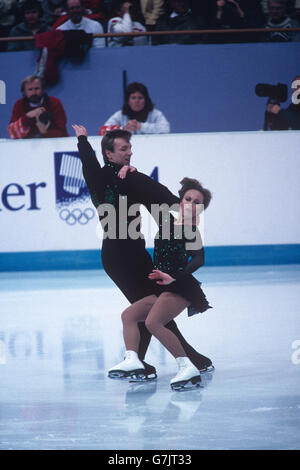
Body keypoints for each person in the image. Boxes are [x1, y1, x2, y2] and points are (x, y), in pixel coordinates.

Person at [72, 124, 214, 380]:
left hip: (135, 254)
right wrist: (82, 140)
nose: (129, 152)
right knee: (151, 310)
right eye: (123, 148)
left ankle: (139, 362)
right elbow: (88, 160)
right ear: (109, 154)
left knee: (150, 309)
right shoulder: (104, 178)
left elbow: (157, 197)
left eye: (130, 148)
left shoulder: (132, 177)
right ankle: (188, 359)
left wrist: (179, 207)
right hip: (119, 257)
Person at [108, 177, 212, 390]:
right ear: (180, 201)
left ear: (201, 209)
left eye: (197, 202)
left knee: (153, 323)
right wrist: (132, 173)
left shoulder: (191, 229)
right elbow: (150, 200)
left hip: (180, 287)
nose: (190, 204)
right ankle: (133, 359)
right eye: (188, 198)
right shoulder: (169, 222)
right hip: (161, 286)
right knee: (129, 315)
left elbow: (199, 259)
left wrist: (175, 276)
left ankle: (187, 368)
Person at [99, 82, 170, 135]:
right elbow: (103, 131)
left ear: (146, 100)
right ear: (128, 101)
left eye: (140, 98)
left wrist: (141, 127)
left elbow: (166, 129)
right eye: (133, 98)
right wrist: (122, 130)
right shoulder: (120, 115)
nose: (137, 101)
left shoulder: (155, 114)